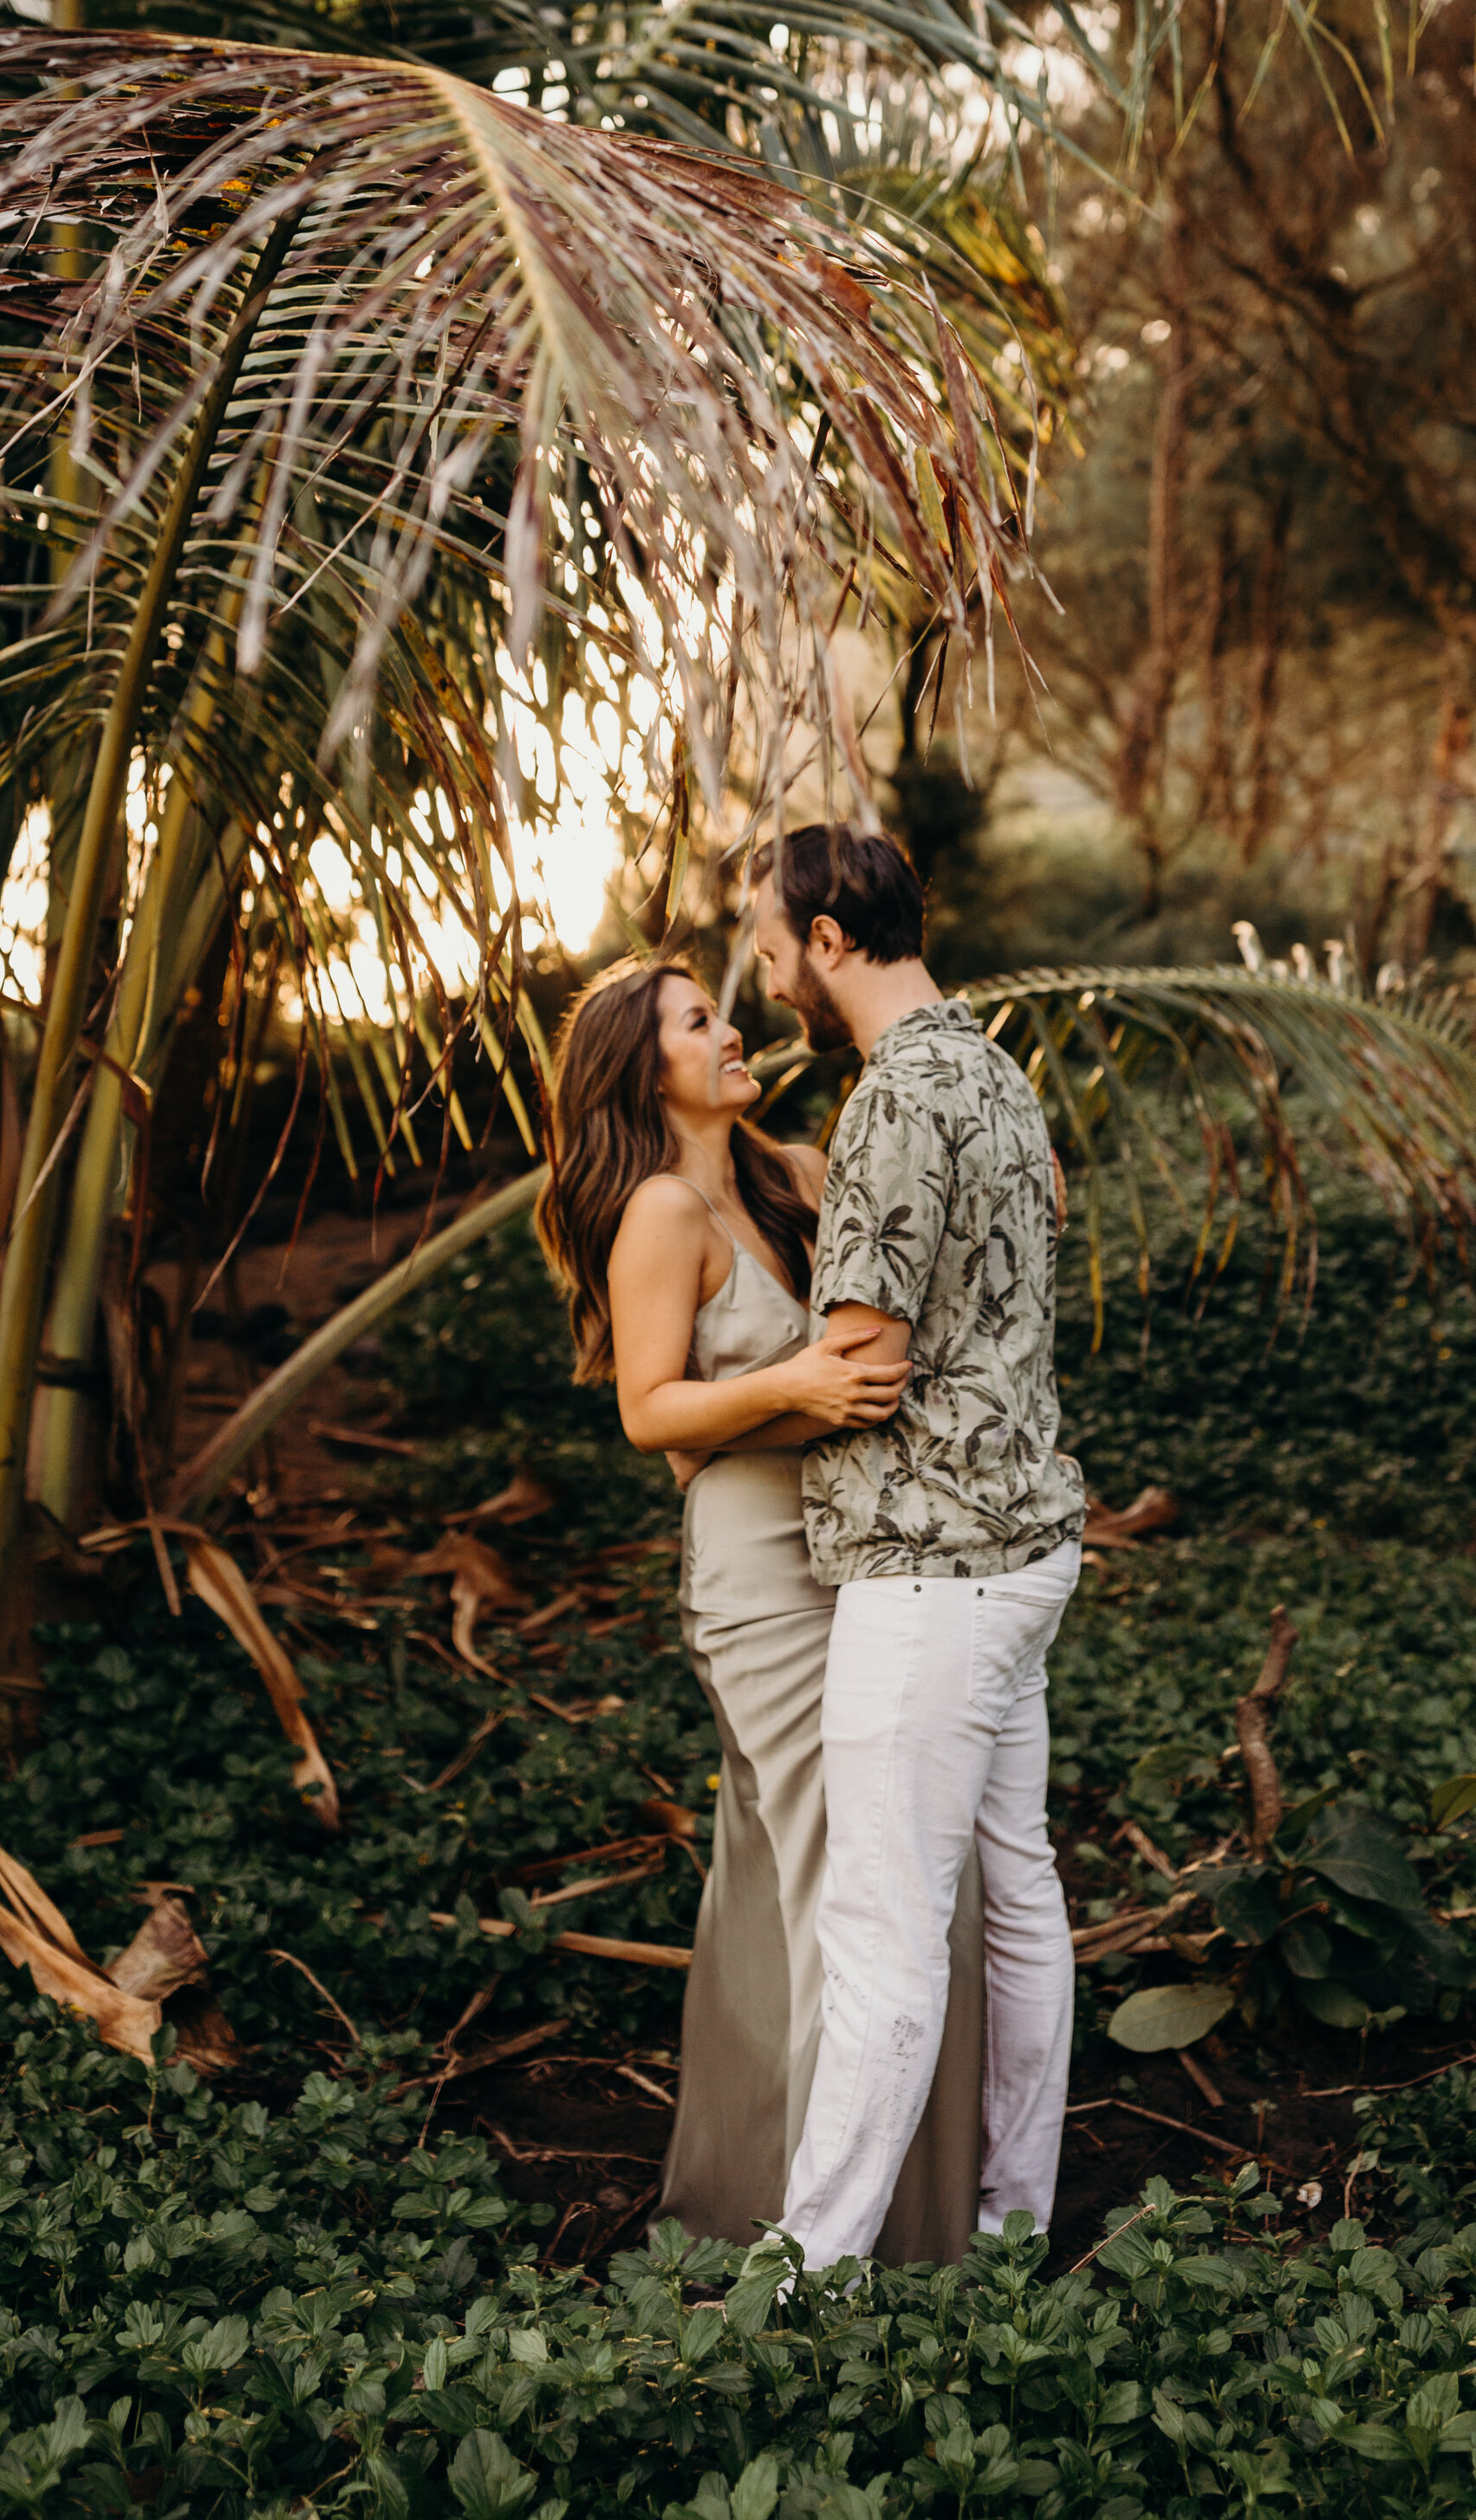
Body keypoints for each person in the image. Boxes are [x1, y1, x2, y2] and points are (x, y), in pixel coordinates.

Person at [536, 958, 986, 2259]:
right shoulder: (663, 1214)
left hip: (863, 1549)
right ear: (646, 1068)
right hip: (760, 1577)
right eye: (696, 1020)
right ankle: (851, 2243)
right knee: (854, 1875)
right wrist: (791, 1383)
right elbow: (647, 1409)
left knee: (785, 1883)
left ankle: (748, 2201)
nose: (732, 1028)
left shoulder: (789, 1169)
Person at [737, 822, 1086, 2265]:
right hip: (1028, 1550)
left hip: (932, 1574)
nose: (764, 977)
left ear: (828, 938)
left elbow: (860, 1360)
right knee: (1022, 1897)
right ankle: (1011, 2228)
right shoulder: (997, 1070)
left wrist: (712, 1406)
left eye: (768, 945)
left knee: (883, 1944)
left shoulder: (891, 1104)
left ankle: (804, 2285)